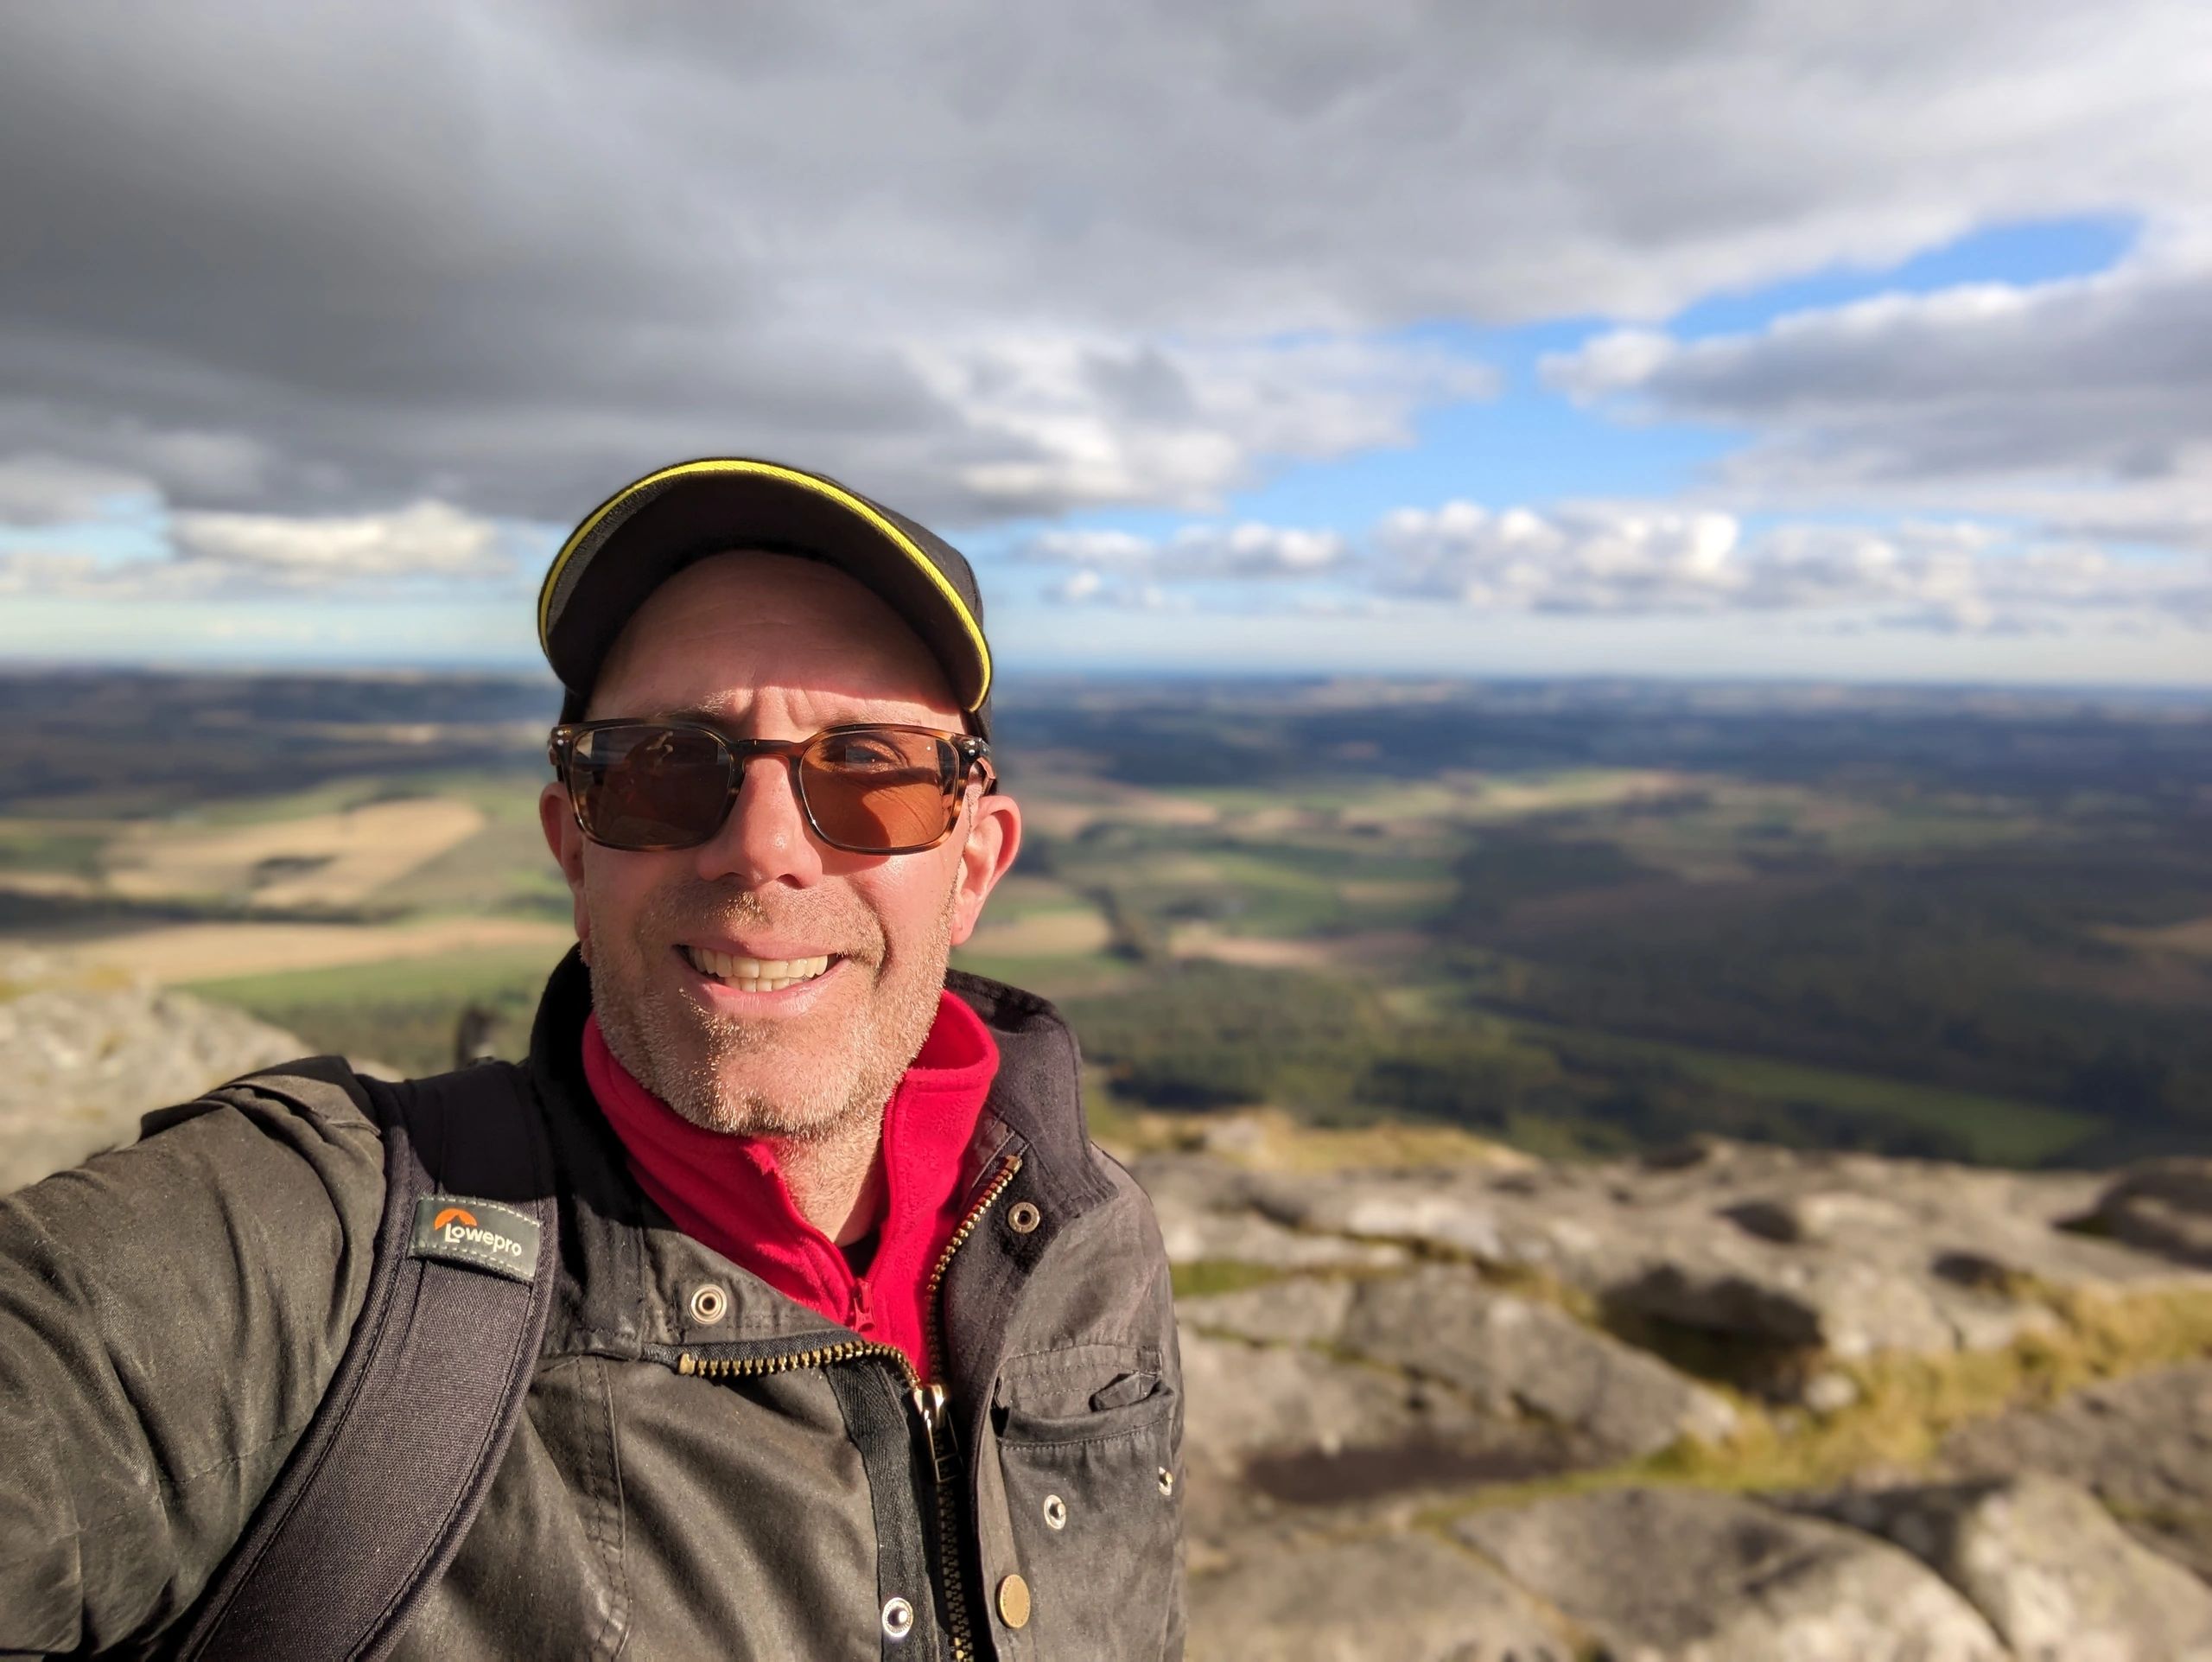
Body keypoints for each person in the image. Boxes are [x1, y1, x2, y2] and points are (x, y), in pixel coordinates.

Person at [0, 459, 1186, 1659]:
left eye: (869, 771)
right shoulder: (318, 1255)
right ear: (575, 847)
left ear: (975, 862)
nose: (761, 849)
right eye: (666, 766)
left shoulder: (1084, 1248)